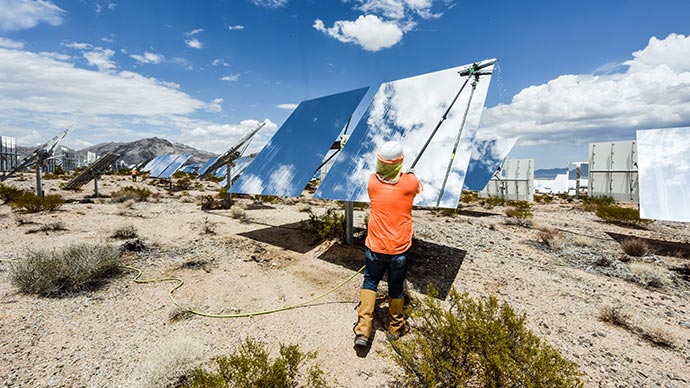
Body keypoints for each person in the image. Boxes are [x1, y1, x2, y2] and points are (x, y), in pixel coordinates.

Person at [354, 140, 423, 347]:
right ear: (399, 163)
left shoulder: (372, 182)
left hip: (374, 247)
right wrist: (409, 173)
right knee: (395, 287)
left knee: (370, 282)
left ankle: (363, 331)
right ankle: (395, 327)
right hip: (399, 249)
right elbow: (415, 186)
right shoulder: (410, 183)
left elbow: (387, 179)